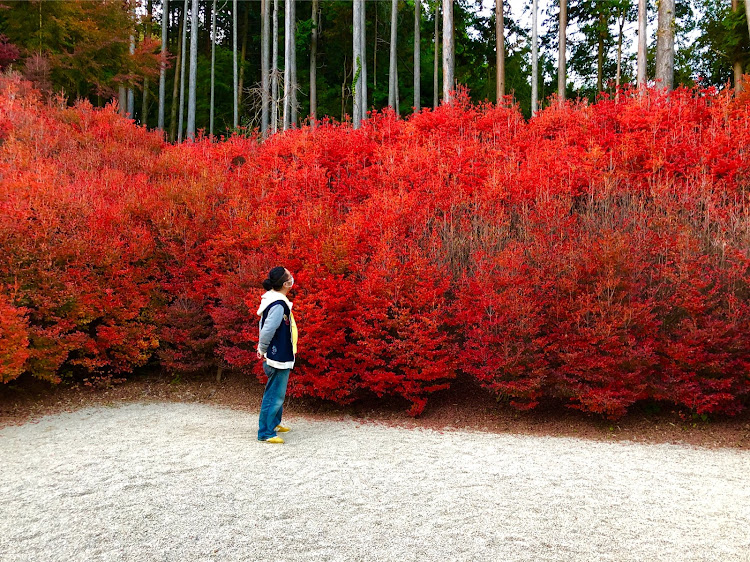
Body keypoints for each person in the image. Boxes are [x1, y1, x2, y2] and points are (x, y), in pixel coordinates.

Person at [256, 266, 298, 444]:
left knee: (278, 391)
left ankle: (274, 423)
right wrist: (262, 348)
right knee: (274, 394)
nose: (292, 278)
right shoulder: (278, 304)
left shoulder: (276, 299)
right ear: (285, 283)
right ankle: (265, 432)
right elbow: (268, 329)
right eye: (289, 276)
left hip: (281, 351)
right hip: (277, 354)